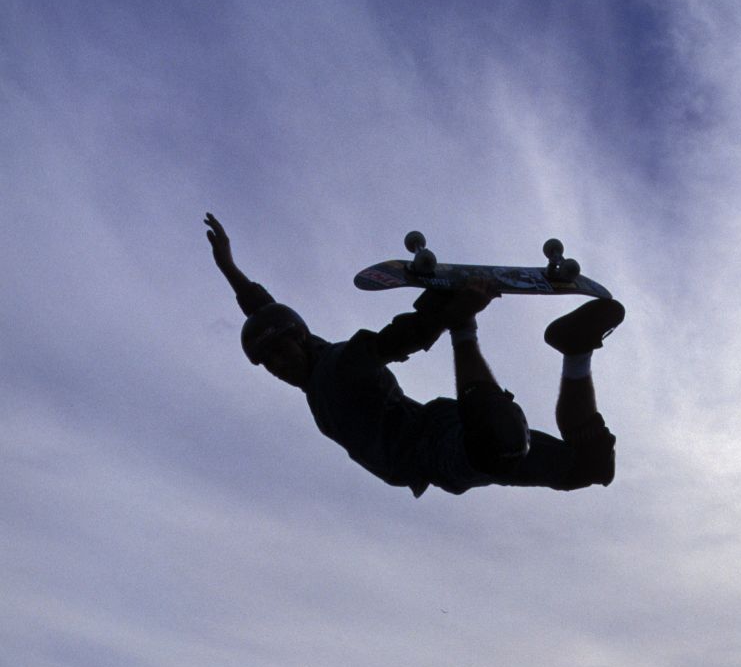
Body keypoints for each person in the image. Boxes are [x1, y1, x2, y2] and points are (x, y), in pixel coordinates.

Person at [204, 213, 625, 497]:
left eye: (281, 351)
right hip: (444, 433)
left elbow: (399, 341)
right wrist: (228, 268)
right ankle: (577, 350)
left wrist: (453, 313)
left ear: (300, 337)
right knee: (590, 467)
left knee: (500, 443)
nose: (279, 365)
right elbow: (264, 311)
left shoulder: (338, 368)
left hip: (438, 445)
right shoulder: (315, 371)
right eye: (268, 362)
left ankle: (464, 329)